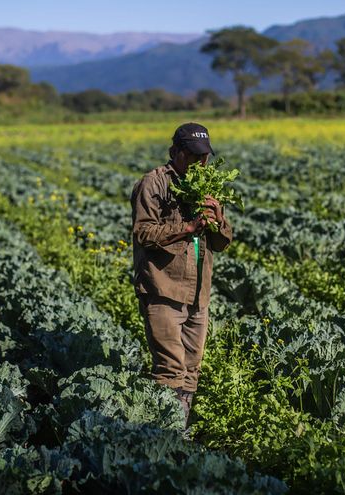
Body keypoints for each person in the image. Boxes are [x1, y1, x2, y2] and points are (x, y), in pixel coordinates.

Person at [130, 122, 232, 429]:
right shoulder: (154, 183)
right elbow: (143, 233)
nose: (201, 163)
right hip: (163, 289)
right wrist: (186, 229)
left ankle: (181, 430)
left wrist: (217, 219)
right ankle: (164, 435)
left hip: (198, 293)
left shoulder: (207, 186)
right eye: (194, 156)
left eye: (205, 157)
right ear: (176, 152)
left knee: (191, 368)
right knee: (170, 369)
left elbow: (222, 242)